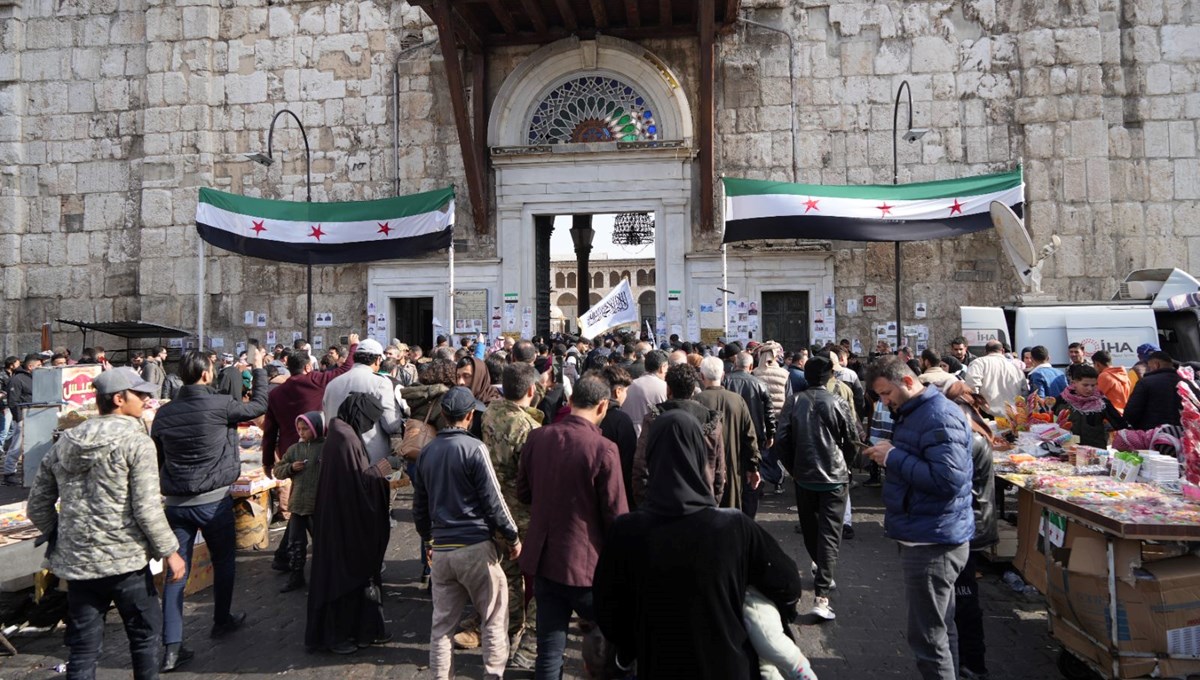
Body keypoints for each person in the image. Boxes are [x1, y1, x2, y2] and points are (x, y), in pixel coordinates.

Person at [593, 409, 805, 680]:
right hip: (730, 664)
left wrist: (631, 645)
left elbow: (609, 609)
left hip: (658, 665)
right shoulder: (735, 528)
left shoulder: (627, 531)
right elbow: (787, 582)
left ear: (651, 458)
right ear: (699, 455)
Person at [27, 368, 187, 680]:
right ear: (118, 399)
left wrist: (62, 534)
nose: (145, 400)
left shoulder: (65, 442)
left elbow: (37, 504)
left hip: (79, 566)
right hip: (126, 562)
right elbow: (146, 508)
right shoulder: (136, 443)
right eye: (139, 394)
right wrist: (171, 552)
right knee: (144, 639)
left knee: (83, 650)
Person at [151, 350, 267, 670]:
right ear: (205, 375)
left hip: (176, 504)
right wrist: (258, 370)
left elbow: (159, 459)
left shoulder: (164, 414)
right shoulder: (220, 405)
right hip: (213, 502)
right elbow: (258, 406)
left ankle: (171, 646)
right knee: (224, 562)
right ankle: (222, 619)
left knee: (176, 573)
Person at [864, 356, 973, 680]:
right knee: (939, 630)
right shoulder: (915, 412)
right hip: (926, 531)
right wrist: (892, 450)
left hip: (933, 540)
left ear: (908, 382)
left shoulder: (938, 415)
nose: (884, 402)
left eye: (886, 393)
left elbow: (947, 480)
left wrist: (894, 456)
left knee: (928, 638)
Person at [516, 375, 628, 679]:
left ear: (569, 401)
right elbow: (617, 515)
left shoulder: (537, 437)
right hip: (587, 566)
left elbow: (523, 493)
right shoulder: (604, 448)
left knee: (549, 650)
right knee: (613, 644)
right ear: (603, 405)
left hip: (544, 560)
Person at [414, 387, 521, 680]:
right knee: (494, 618)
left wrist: (429, 540)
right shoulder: (475, 449)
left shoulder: (427, 453)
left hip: (444, 551)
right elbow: (493, 499)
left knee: (442, 626)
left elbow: (419, 508)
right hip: (475, 547)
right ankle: (492, 675)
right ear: (470, 416)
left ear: (443, 415)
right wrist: (512, 536)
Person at [467, 363, 544, 666]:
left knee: (508, 574)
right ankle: (523, 634)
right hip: (521, 510)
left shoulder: (490, 413)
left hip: (493, 504)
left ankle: (509, 626)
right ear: (531, 390)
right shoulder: (529, 428)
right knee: (532, 571)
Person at [306, 393, 393, 654]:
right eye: (369, 420)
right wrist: (382, 471)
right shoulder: (344, 438)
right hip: (345, 522)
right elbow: (358, 485)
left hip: (342, 517)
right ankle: (339, 635)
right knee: (348, 576)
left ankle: (366, 630)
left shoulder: (343, 432)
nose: (370, 427)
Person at [778, 356, 857, 621]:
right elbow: (852, 439)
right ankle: (823, 579)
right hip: (832, 476)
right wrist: (845, 463)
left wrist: (794, 468)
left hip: (808, 475)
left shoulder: (795, 401)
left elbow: (782, 441)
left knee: (813, 530)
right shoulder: (838, 402)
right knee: (828, 533)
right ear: (828, 376)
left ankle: (822, 587)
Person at [941, 382, 999, 680]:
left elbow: (950, 485)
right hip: (975, 522)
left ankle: (971, 663)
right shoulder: (976, 434)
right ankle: (969, 660)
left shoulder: (968, 439)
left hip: (968, 526)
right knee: (964, 597)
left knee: (964, 600)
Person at [632, 363, 726, 507]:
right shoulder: (711, 420)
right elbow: (719, 470)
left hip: (662, 502)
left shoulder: (654, 418)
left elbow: (641, 466)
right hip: (702, 500)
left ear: (668, 389)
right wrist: (714, 502)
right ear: (694, 390)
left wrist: (644, 503)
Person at [695, 356, 761, 515]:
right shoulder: (737, 400)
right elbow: (749, 437)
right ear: (723, 375)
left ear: (701, 376)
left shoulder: (696, 401)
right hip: (733, 467)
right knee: (731, 514)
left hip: (705, 469)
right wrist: (753, 466)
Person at [321, 338, 404, 464]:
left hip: (338, 456)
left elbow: (327, 421)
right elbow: (391, 425)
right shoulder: (381, 382)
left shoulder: (332, 384)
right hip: (370, 457)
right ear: (378, 360)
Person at [272, 411, 325, 594]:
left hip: (317, 505)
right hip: (297, 505)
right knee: (295, 544)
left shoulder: (325, 447)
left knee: (321, 544)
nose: (301, 433)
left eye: (306, 429)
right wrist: (291, 468)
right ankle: (296, 575)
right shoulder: (294, 449)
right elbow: (278, 471)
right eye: (299, 429)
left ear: (316, 428)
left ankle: (322, 577)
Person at [1055, 365, 1128, 447]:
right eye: (1085, 385)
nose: (1090, 389)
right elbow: (1048, 421)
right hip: (1067, 449)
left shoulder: (1102, 402)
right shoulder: (1062, 399)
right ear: (1074, 383)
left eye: (1093, 385)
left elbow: (1120, 424)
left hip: (1094, 451)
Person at [3, 352, 40, 486]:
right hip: (23, 417)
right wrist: (19, 419)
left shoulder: (33, 378)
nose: (41, 367)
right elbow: (13, 401)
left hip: (35, 416)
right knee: (17, 446)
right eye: (38, 365)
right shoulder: (18, 379)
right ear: (30, 366)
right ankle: (9, 473)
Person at [965, 340, 1028, 416]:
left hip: (987, 412)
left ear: (985, 351)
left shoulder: (979, 363)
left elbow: (971, 386)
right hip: (1013, 415)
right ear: (1002, 351)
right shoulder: (1015, 367)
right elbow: (1024, 392)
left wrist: (977, 404)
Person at [1125, 350, 1182, 430]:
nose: (1149, 370)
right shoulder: (1185, 382)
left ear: (1156, 365)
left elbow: (1131, 413)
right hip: (1184, 434)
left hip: (1154, 434)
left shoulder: (1145, 382)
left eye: (1149, 367)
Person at [622, 349, 669, 434]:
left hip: (627, 434)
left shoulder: (628, 386)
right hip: (652, 435)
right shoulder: (665, 387)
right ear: (662, 367)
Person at [1091, 349, 1131, 414]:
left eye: (1094, 364)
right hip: (1123, 413)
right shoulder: (1123, 374)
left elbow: (1095, 396)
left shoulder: (1104, 376)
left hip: (1110, 416)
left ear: (1097, 364)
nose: (1093, 367)